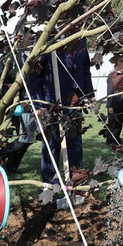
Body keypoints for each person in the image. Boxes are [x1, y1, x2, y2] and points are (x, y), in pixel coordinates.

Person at [33, 38, 94, 186]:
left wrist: (89, 93)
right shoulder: (50, 38)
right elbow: (35, 74)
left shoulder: (81, 40)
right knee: (52, 143)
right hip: (52, 102)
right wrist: (38, 103)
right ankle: (49, 184)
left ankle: (75, 180)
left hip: (75, 102)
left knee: (75, 142)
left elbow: (85, 70)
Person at [103, 51, 123, 153]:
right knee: (112, 122)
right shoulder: (112, 76)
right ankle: (110, 140)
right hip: (114, 103)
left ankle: (117, 138)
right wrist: (110, 105)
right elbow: (110, 91)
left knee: (120, 121)